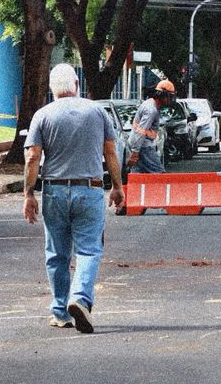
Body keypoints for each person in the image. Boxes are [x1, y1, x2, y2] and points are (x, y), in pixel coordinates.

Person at [23, 63, 125, 333]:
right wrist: (117, 186)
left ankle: (60, 312)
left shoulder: (42, 115)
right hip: (89, 189)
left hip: (54, 191)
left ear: (51, 89)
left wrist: (28, 193)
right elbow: (110, 152)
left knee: (57, 254)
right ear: (77, 85)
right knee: (89, 250)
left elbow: (32, 157)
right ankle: (79, 298)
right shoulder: (97, 112)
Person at [124, 78, 178, 175]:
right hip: (144, 147)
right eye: (170, 96)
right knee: (160, 175)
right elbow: (141, 131)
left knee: (137, 177)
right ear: (162, 95)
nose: (170, 100)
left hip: (139, 146)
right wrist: (135, 152)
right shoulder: (151, 110)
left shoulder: (150, 104)